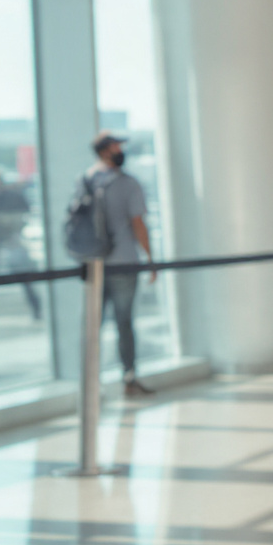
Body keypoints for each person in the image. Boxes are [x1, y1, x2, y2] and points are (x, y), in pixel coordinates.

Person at [80, 132, 157, 397]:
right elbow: (138, 224)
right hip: (123, 262)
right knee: (124, 323)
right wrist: (150, 258)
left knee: (94, 326)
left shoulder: (86, 180)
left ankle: (90, 384)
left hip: (93, 264)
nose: (121, 150)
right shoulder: (127, 183)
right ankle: (129, 379)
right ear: (104, 151)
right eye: (116, 147)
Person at [0, 173, 42, 319]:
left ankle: (36, 308)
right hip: (4, 238)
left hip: (12, 239)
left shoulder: (6, 196)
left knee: (21, 271)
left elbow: (21, 214)